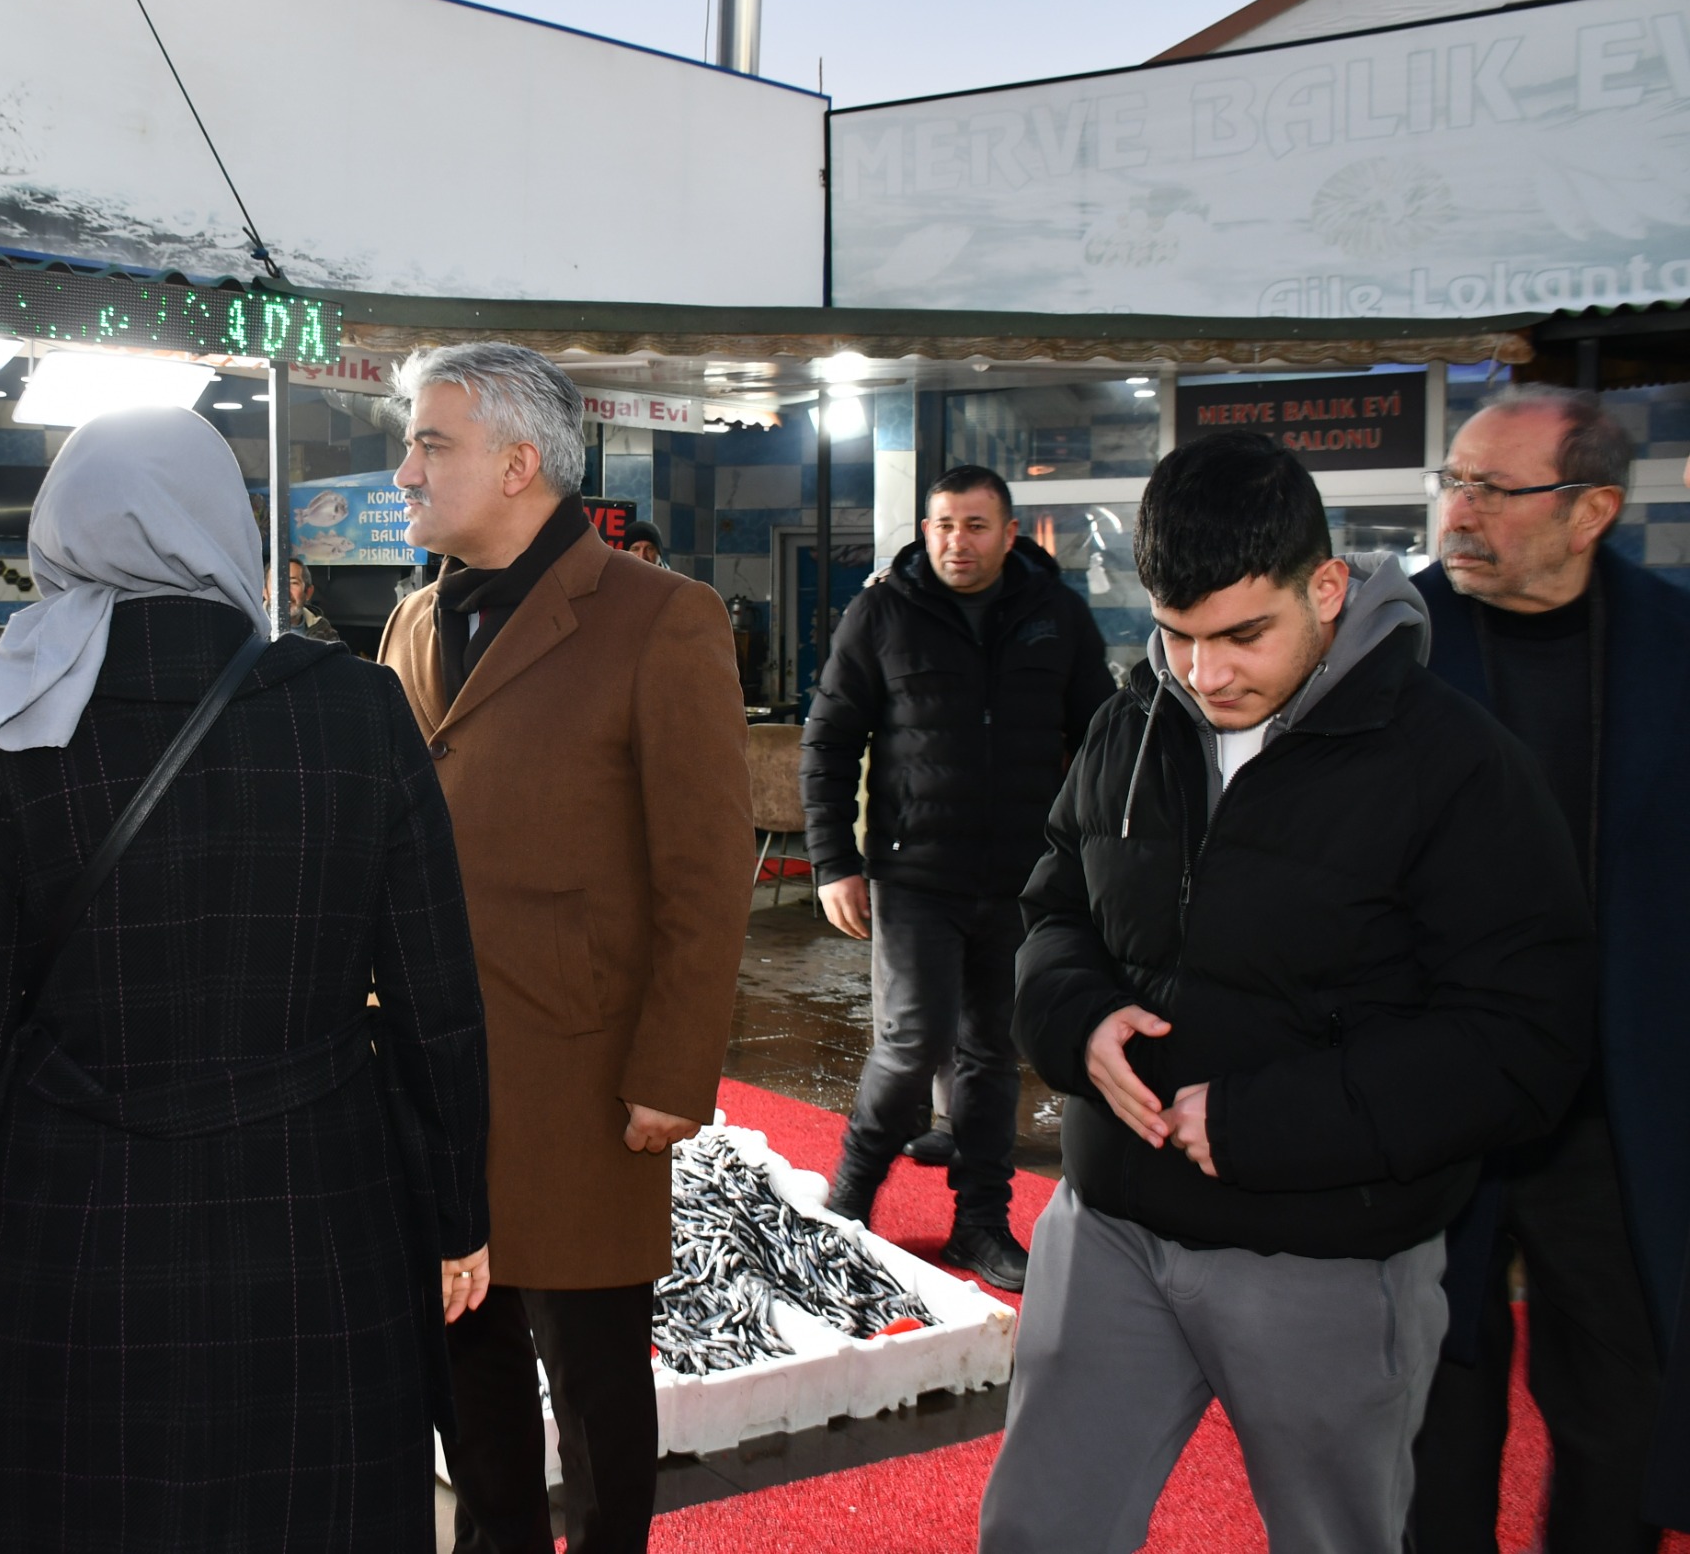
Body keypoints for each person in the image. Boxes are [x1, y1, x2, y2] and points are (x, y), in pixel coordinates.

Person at [0, 407, 491, 1553]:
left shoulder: (13, 721)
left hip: (73, 1212)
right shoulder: (355, 710)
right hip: (315, 1206)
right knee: (309, 1506)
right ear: (222, 525)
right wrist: (456, 1210)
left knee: (85, 1505)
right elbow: (435, 997)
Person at [982, 430, 1596, 1553]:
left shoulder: (1457, 768)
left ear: (1325, 587)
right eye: (1175, 635)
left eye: (1241, 634)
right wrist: (1072, 1015)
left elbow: (1522, 1042)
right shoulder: (1132, 721)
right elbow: (1051, 906)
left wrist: (1274, 1121)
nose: (1206, 673)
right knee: (1034, 1530)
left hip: (1329, 1258)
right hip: (1108, 1227)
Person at [377, 343, 751, 1554]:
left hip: (582, 1079)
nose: (406, 469)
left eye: (432, 444)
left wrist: (671, 1069)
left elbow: (703, 873)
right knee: (463, 1369)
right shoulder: (414, 617)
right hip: (432, 1069)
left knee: (592, 1384)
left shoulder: (660, 619)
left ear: (519, 463)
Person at [1408, 386, 1690, 1547]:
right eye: (1453, 482)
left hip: (1617, 1111)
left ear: (1592, 510)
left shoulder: (1675, 650)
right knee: (1432, 1403)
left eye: (1492, 488)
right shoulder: (1391, 644)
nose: (1459, 512)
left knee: (1618, 1400)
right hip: (1431, 1100)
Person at [798, 464, 1111, 1290]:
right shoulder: (882, 613)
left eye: (975, 526)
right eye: (942, 525)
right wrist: (834, 861)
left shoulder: (1056, 617)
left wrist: (1093, 862)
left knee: (991, 1057)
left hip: (1023, 881)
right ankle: (849, 1202)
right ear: (923, 529)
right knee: (912, 1045)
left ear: (1010, 534)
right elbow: (828, 742)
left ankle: (979, 1225)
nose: (956, 542)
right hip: (913, 876)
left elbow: (1103, 746)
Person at [278, 555, 348, 641]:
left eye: (293, 583)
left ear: (308, 592)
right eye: (277, 583)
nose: (285, 592)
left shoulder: (325, 634)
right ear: (264, 591)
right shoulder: (257, 632)